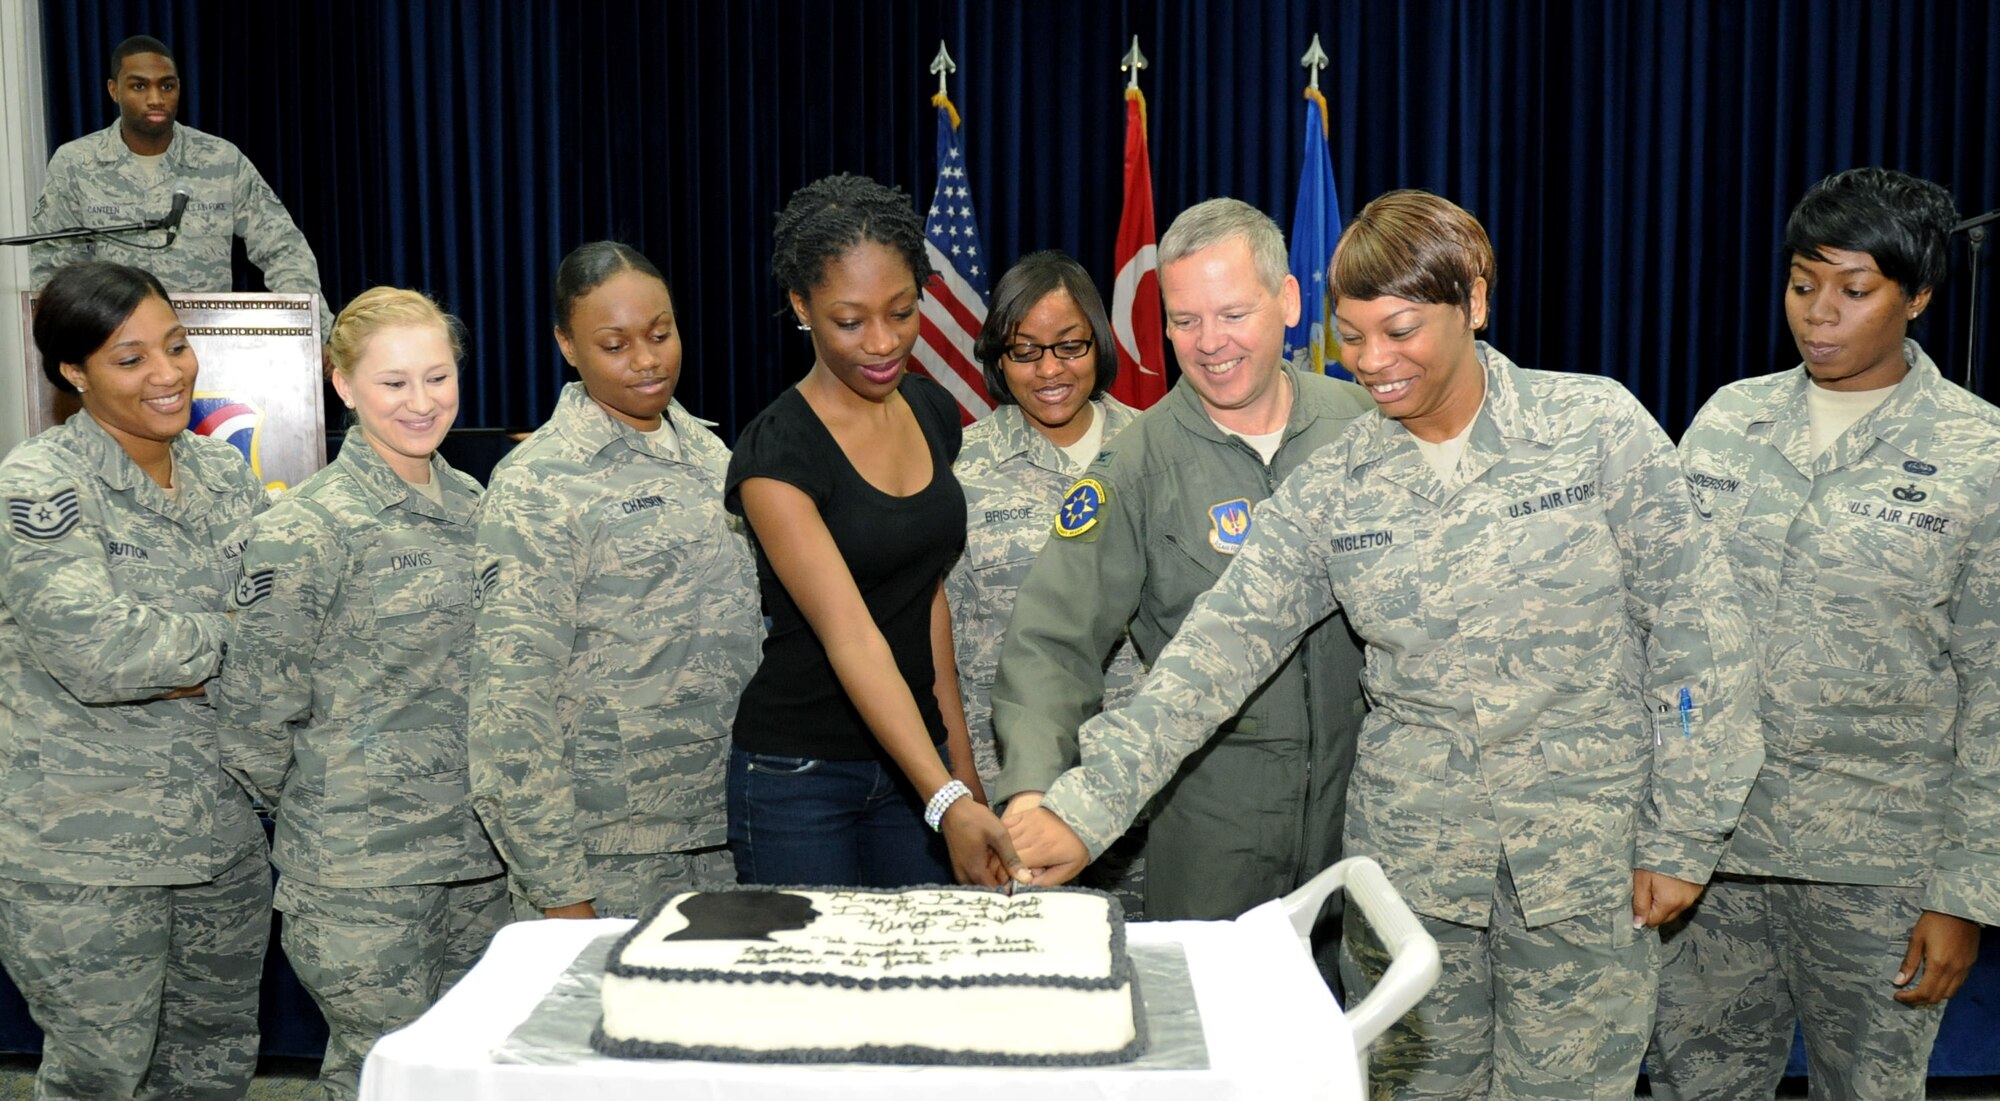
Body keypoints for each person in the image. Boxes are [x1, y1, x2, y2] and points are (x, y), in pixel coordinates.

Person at [1007, 190, 1762, 1100]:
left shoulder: (1593, 431)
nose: (1373, 363)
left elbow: (1698, 639)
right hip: (1412, 890)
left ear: (1474, 302)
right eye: (1354, 336)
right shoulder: (1338, 485)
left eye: (1400, 330)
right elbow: (1214, 655)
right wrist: (1082, 806)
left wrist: (1685, 830)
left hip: (1586, 876)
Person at [1650, 167, 2000, 1101]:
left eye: (1855, 289)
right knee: (1698, 1087)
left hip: (1878, 867)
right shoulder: (1730, 419)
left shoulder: (1981, 452)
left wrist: (1964, 893)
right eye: (1805, 284)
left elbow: (1996, 690)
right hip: (1713, 858)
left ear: (1918, 295)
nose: (1820, 313)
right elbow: (1670, 629)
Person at [988, 198, 1371, 931]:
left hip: (1363, 824)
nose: (1209, 343)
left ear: (1288, 301)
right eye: (1184, 320)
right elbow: (1049, 643)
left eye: (1232, 313)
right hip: (1214, 834)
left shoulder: (1363, 431)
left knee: (1360, 1038)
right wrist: (1034, 791)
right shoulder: (1134, 467)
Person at [212, 287, 503, 1101]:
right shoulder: (304, 529)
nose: (422, 402)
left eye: (437, 378)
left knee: (470, 1074)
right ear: (343, 385)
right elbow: (254, 715)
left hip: (479, 861)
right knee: (382, 1075)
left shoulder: (482, 508)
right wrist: (340, 799)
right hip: (359, 877)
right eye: (394, 383)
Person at [0, 262, 271, 1099]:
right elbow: (102, 654)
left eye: (178, 346)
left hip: (223, 833)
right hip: (89, 847)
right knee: (102, 1076)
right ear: (73, 373)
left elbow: (280, 616)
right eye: (130, 359)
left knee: (215, 1062)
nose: (168, 374)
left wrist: (197, 661)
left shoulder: (223, 472)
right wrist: (230, 644)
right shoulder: (41, 484)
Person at [726, 173, 1017, 889]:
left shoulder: (931, 409)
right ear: (802, 307)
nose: (884, 343)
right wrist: (945, 797)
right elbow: (852, 635)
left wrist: (959, 765)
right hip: (801, 775)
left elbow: (926, 594)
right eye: (850, 321)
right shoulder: (775, 454)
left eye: (902, 311)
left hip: (916, 767)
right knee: (817, 995)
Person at [469, 242, 761, 920]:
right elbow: (510, 709)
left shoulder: (712, 454)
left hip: (729, 837)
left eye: (661, 333)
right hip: (609, 859)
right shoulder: (537, 485)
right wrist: (560, 891)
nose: (648, 359)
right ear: (567, 346)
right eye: (615, 343)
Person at [945, 249, 1148, 912]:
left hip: (1141, 791)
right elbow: (936, 639)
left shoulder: (1155, 451)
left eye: (1069, 346)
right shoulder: (959, 469)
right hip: (1012, 802)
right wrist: (962, 787)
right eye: (1025, 350)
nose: (1050, 370)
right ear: (998, 358)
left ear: (1099, 340)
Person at [30, 35, 333, 336]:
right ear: (114, 90)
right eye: (139, 86)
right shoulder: (76, 163)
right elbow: (52, 265)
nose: (156, 99)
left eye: (167, 86)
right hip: (115, 341)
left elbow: (284, 247)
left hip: (207, 342)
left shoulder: (220, 159)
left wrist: (312, 330)